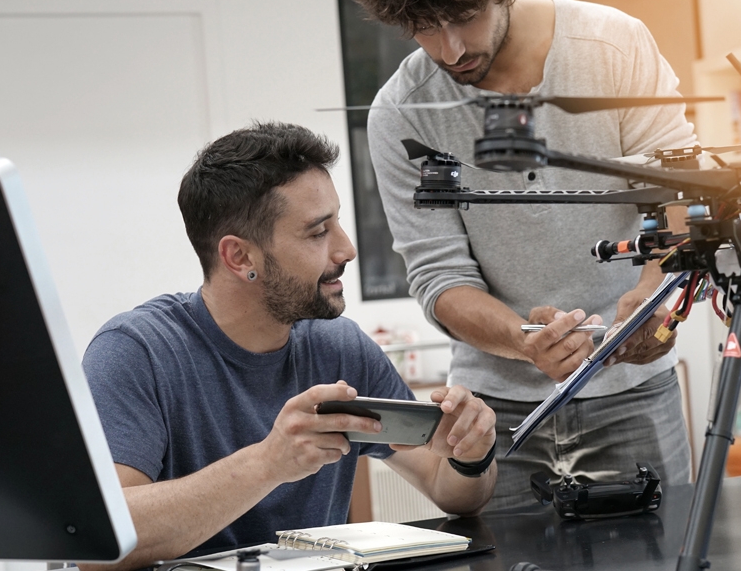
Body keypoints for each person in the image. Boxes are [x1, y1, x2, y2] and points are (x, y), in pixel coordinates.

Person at [80, 122, 497, 570]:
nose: (347, 249)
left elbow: (446, 488)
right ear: (240, 257)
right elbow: (99, 542)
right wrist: (267, 463)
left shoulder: (340, 347)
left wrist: (470, 456)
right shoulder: (134, 352)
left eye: (337, 223)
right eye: (318, 233)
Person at [350, 0, 696, 509]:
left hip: (631, 389)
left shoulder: (613, 45)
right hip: (492, 414)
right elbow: (439, 277)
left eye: (463, 17)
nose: (451, 50)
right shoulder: (401, 112)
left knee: (661, 550)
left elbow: (678, 189)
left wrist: (655, 296)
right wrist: (525, 342)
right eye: (423, 29)